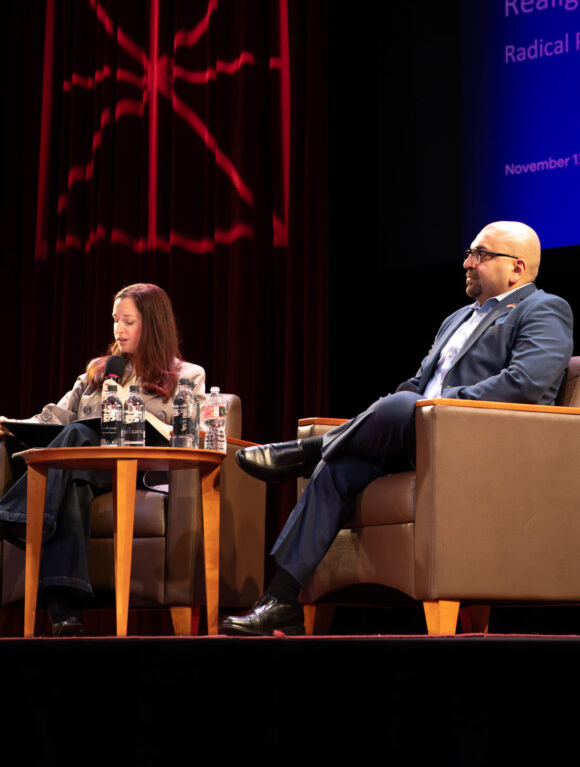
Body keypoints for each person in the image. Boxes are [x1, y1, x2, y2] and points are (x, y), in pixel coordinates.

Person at [220, 221, 574, 636]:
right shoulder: (457, 318)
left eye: (480, 254)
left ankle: (308, 450)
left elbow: (526, 384)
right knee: (340, 467)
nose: (467, 263)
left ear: (516, 267)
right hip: (422, 436)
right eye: (469, 253)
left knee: (402, 407)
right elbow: (418, 384)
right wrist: (410, 406)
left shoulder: (544, 308)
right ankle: (281, 599)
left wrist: (435, 406)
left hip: (479, 443)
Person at [0, 282, 205, 636]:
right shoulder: (99, 371)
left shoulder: (186, 376)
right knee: (75, 472)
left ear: (151, 324)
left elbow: (188, 432)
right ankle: (66, 610)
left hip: (142, 470)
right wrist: (10, 425)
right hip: (90, 469)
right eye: (115, 321)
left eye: (128, 321)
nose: (118, 330)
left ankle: (11, 514)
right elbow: (56, 417)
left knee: (78, 439)